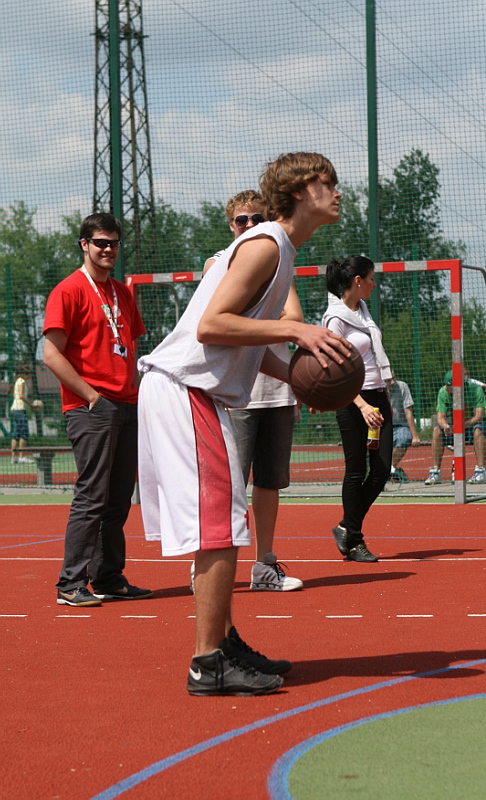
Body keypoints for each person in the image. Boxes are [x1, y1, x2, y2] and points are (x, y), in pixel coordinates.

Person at [137, 152, 350, 696]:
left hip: (196, 393)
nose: (338, 191)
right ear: (299, 191)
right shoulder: (266, 244)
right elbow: (212, 326)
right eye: (327, 182)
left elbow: (244, 343)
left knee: (226, 522)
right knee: (220, 526)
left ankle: (224, 642)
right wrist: (297, 332)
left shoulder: (281, 250)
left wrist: (299, 377)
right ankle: (207, 663)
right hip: (184, 389)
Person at [43, 212, 153, 607]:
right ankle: (70, 583)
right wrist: (91, 396)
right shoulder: (68, 291)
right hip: (91, 407)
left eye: (113, 243)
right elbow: (51, 355)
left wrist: (136, 395)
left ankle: (108, 576)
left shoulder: (123, 293)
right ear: (84, 244)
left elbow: (129, 349)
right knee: (92, 496)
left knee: (119, 498)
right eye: (100, 242)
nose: (108, 249)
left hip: (126, 405)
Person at [203, 190, 303, 592]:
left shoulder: (277, 261)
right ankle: (205, 567)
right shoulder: (218, 263)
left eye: (257, 219)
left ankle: (264, 565)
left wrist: (250, 317)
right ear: (231, 225)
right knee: (227, 486)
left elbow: (295, 316)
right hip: (236, 392)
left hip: (276, 391)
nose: (249, 225)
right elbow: (220, 321)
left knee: (269, 482)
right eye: (241, 220)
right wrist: (268, 318)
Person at [322, 256, 393, 564]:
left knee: (381, 470)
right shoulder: (334, 318)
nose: (375, 284)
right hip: (353, 401)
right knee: (356, 471)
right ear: (357, 281)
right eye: (372, 278)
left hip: (378, 397)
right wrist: (362, 405)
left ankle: (345, 527)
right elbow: (336, 370)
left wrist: (382, 393)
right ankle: (355, 541)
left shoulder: (363, 311)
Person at [425, 370, 486, 485]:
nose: (447, 389)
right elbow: (440, 417)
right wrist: (445, 426)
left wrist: (461, 426)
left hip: (473, 426)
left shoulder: (476, 390)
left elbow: (478, 416)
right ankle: (435, 472)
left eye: (450, 386)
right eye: (446, 385)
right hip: (455, 426)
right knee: (437, 430)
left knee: (478, 431)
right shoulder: (443, 392)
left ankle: (481, 471)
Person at [388, 369, 420, 482]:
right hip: (382, 427)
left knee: (404, 438)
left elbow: (408, 412)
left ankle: (388, 468)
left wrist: (415, 436)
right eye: (389, 379)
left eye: (394, 378)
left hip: (400, 425)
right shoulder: (377, 390)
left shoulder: (402, 387)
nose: (392, 382)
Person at [10, 367, 34, 464]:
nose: (29, 376)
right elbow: (21, 396)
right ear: (23, 374)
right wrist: (31, 404)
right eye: (27, 374)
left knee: (15, 434)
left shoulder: (17, 381)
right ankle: (21, 457)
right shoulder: (22, 381)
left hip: (14, 409)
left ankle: (13, 458)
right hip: (20, 410)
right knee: (23, 433)